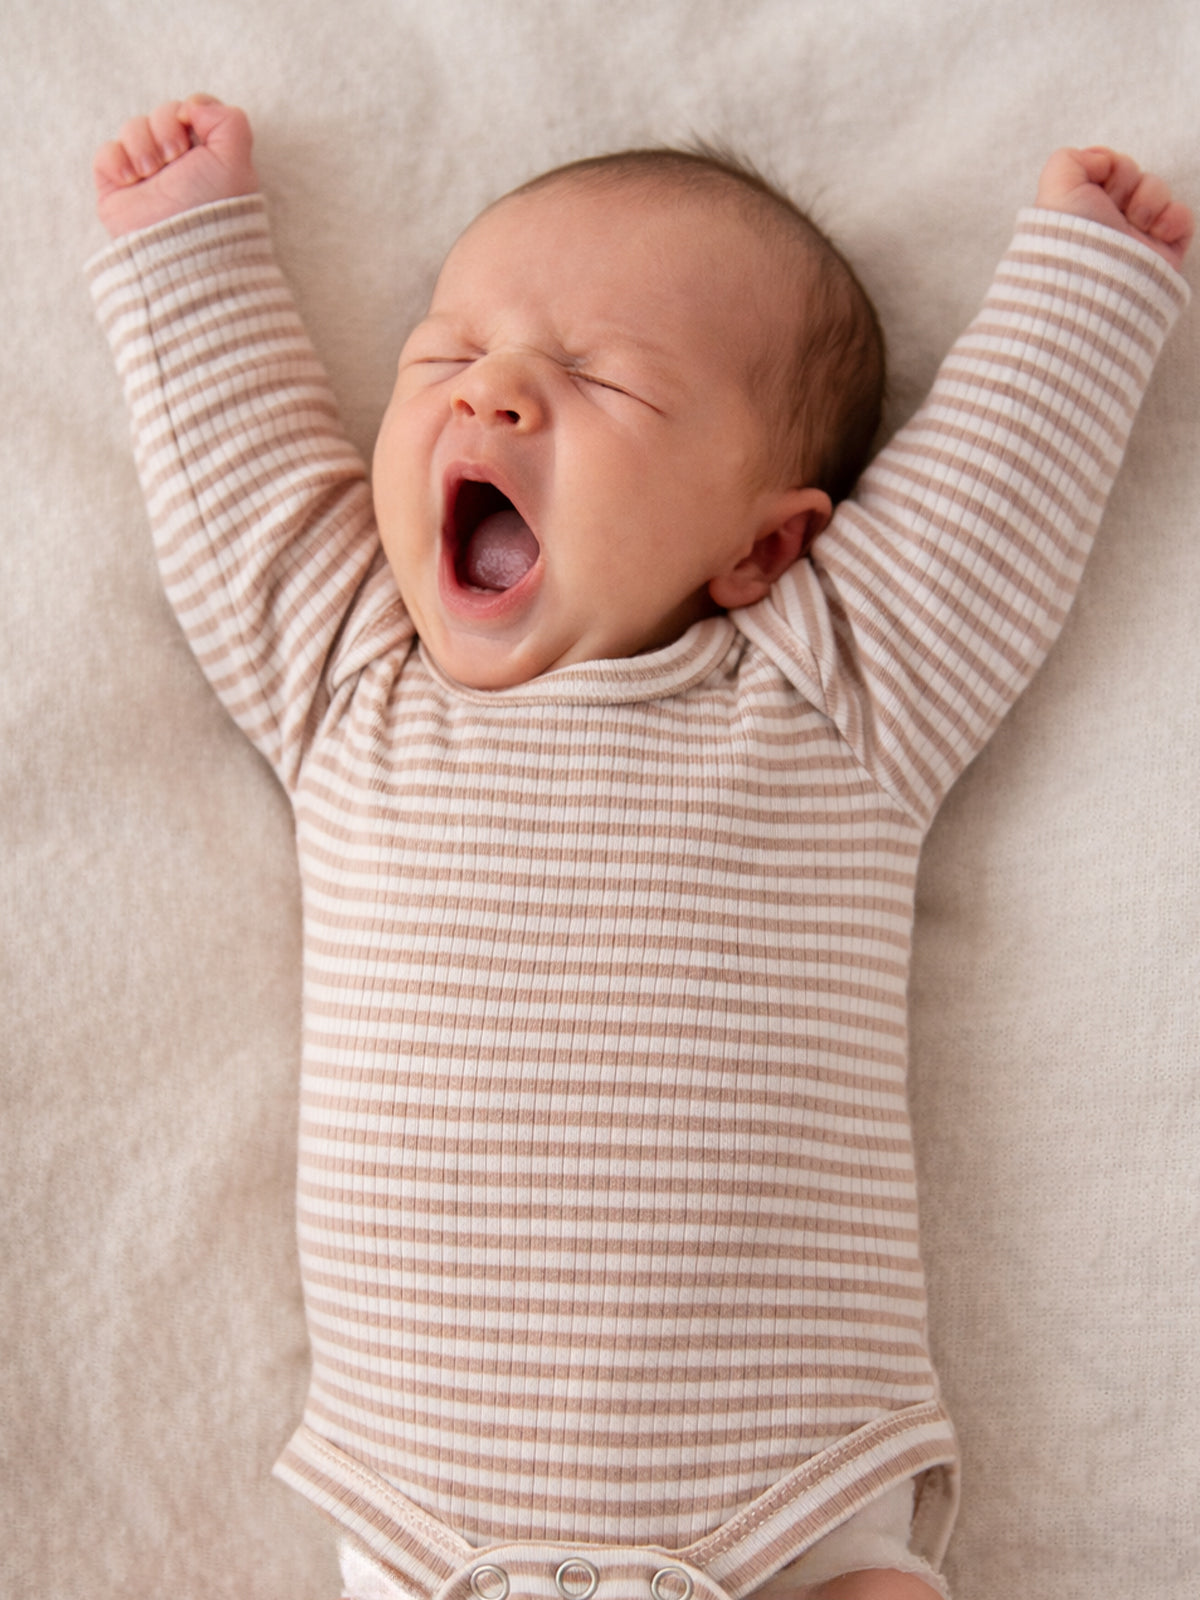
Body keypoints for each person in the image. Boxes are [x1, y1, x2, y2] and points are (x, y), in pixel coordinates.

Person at [90, 96, 1191, 1600]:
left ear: (761, 546)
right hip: (430, 1511)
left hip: (785, 1487)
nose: (495, 396)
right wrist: (189, 252)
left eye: (600, 378)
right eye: (447, 354)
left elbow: (990, 514)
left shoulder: (832, 690)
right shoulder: (352, 680)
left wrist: (1090, 288)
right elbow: (242, 503)